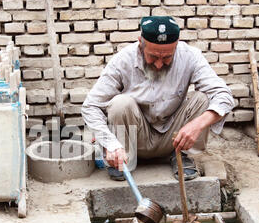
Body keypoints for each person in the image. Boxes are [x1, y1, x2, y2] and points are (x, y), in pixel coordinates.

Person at [82, 16, 235, 181]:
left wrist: (197, 125)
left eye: (167, 57)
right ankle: (124, 159)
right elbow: (91, 106)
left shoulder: (190, 56)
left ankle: (181, 157)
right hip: (135, 139)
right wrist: (110, 143)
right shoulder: (123, 60)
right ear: (141, 43)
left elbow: (224, 95)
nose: (159, 64)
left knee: (203, 99)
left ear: (176, 46)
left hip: (174, 139)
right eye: (153, 57)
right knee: (120, 103)